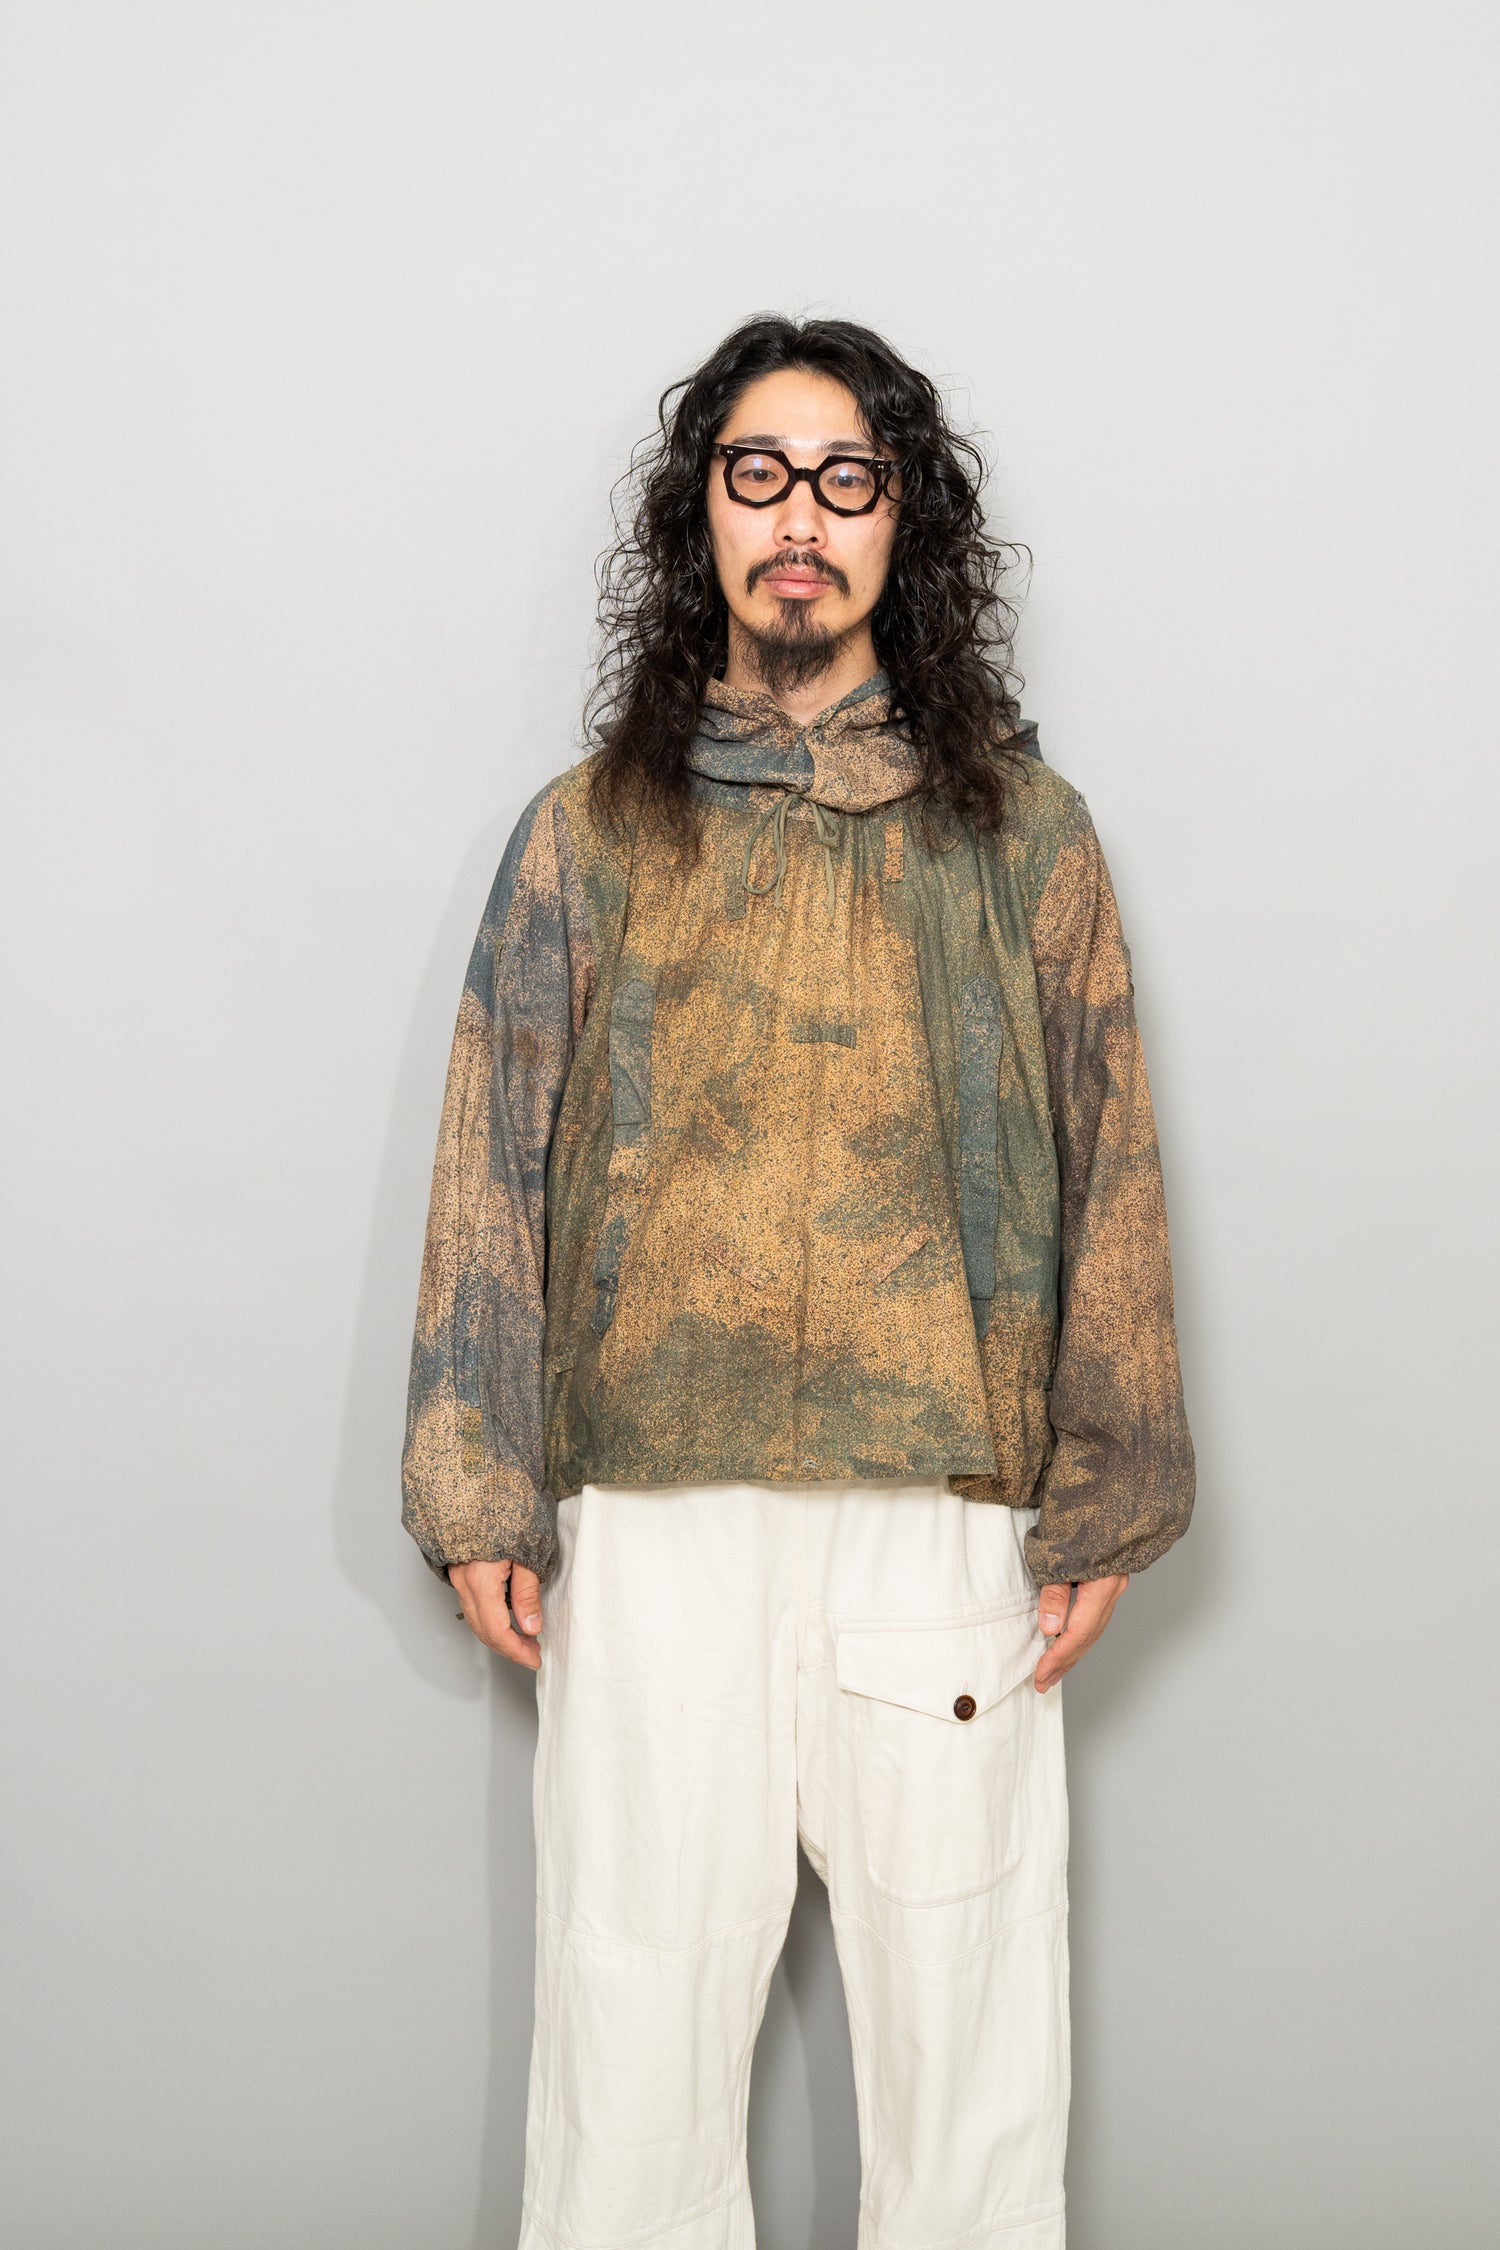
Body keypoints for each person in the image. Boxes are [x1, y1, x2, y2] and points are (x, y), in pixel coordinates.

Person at [401, 313, 1195, 2250]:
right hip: (654, 1518)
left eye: (847, 480)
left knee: (971, 2048)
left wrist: (1112, 1478)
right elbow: (493, 1146)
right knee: (631, 2040)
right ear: (705, 515)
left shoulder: (1026, 836)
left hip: (941, 1518)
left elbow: (1111, 1155)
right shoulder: (589, 832)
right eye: (759, 475)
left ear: (902, 522)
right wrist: (475, 1479)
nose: (801, 522)